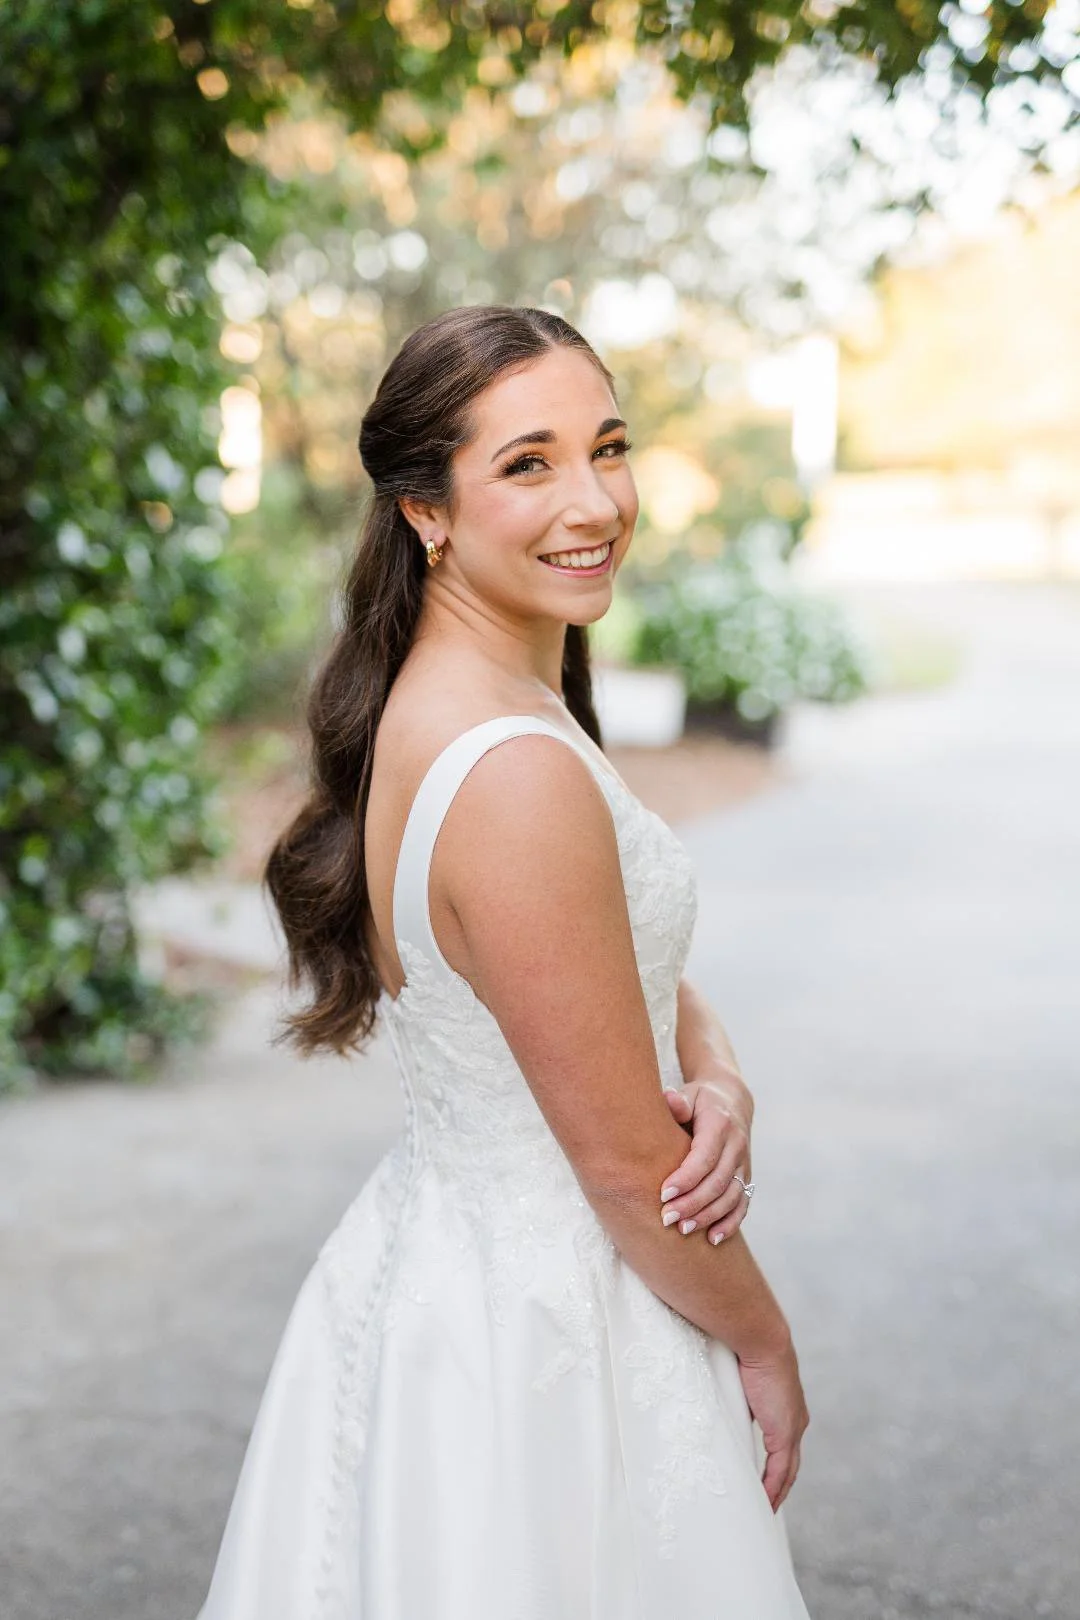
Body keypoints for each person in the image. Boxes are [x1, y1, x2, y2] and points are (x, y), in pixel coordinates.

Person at [196, 305, 811, 1618]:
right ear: (425, 509)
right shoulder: (514, 771)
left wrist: (721, 1070)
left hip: (451, 1273)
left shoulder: (474, 700)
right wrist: (764, 1339)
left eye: (607, 447)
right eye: (527, 464)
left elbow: (612, 963)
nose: (591, 500)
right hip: (547, 1327)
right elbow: (629, 1173)